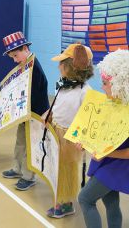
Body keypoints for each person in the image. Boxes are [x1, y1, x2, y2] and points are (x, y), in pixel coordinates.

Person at [77, 49, 129, 228]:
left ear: (120, 85)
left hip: (116, 166)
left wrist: (106, 153)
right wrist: (86, 142)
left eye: (106, 83)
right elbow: (102, 133)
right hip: (106, 161)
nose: (102, 86)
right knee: (111, 203)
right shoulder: (112, 103)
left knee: (85, 198)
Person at [45, 43, 94, 218]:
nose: (58, 67)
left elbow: (87, 119)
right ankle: (61, 198)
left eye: (62, 63)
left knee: (67, 170)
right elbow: (58, 104)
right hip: (56, 132)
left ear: (72, 67)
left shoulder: (85, 92)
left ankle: (66, 203)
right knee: (57, 168)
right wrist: (50, 116)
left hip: (70, 138)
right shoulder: (62, 85)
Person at [1, 31, 50, 191]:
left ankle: (29, 176)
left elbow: (35, 93)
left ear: (25, 49)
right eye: (12, 58)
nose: (15, 60)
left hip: (35, 113)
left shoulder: (34, 67)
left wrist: (28, 111)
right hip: (24, 113)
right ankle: (17, 168)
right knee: (20, 141)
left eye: (16, 56)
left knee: (30, 144)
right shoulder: (24, 66)